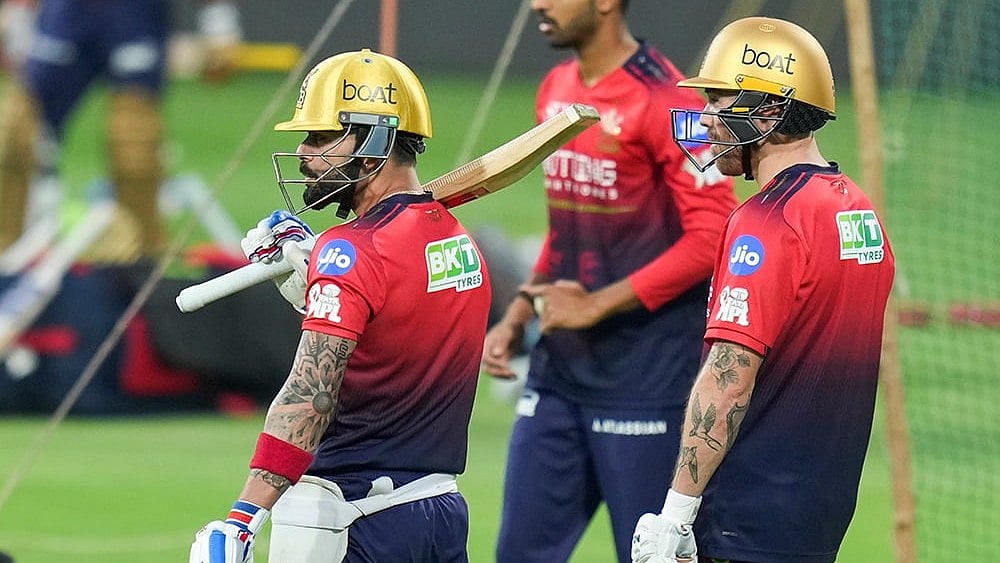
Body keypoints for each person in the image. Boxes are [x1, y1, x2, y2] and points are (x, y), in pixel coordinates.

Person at [189, 49, 493, 563]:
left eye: (321, 138)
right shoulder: (460, 244)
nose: (304, 152)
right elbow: (385, 332)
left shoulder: (350, 251)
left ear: (373, 147)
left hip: (354, 519)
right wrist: (316, 282)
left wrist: (243, 519)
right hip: (439, 512)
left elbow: (312, 394)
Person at [631, 16, 895, 563]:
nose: (705, 119)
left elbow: (729, 378)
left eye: (718, 101)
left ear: (768, 110)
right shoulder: (859, 211)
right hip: (819, 512)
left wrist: (676, 513)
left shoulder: (766, 221)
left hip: (747, 515)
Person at [481, 1, 738, 561]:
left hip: (647, 380)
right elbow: (569, 224)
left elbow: (713, 234)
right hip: (558, 372)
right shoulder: (555, 88)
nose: (538, 4)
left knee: (649, 555)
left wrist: (596, 305)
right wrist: (519, 312)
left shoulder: (670, 102)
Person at [0, 0, 242, 259]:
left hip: (133, 14)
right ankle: (8, 253)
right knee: (17, 134)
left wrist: (218, 21)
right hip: (67, 13)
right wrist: (17, 12)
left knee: (135, 146)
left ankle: (137, 262)